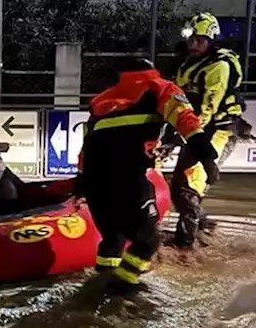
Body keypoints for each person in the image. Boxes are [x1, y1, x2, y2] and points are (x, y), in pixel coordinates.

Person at [73, 58, 218, 296]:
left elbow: (85, 148)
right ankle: (121, 288)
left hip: (93, 178)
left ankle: (99, 284)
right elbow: (187, 122)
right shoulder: (159, 87)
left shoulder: (100, 101)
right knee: (148, 241)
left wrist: (80, 185)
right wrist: (207, 158)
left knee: (113, 238)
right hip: (127, 174)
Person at [169, 12, 248, 247]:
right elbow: (179, 101)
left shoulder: (219, 67)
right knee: (177, 188)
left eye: (199, 40)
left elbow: (207, 110)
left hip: (218, 131)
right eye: (191, 39)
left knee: (188, 189)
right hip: (197, 132)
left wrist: (178, 138)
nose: (193, 45)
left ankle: (186, 248)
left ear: (211, 41)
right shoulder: (189, 64)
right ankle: (205, 228)